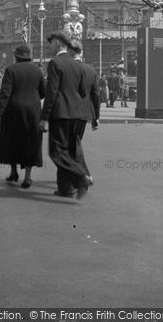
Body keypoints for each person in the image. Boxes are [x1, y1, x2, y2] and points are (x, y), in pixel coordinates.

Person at [40, 30, 91, 199]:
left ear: (58, 43)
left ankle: (80, 177)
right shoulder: (78, 65)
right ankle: (65, 188)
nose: (49, 46)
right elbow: (84, 92)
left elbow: (51, 92)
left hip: (61, 114)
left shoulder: (55, 63)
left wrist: (44, 118)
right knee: (68, 151)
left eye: (51, 42)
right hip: (77, 114)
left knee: (56, 152)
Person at [0, 44, 46, 188]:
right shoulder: (37, 71)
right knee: (31, 141)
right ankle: (28, 176)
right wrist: (32, 99)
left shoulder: (11, 70)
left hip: (13, 110)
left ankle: (13, 172)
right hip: (33, 111)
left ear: (16, 57)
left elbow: (5, 93)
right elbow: (44, 91)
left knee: (12, 140)